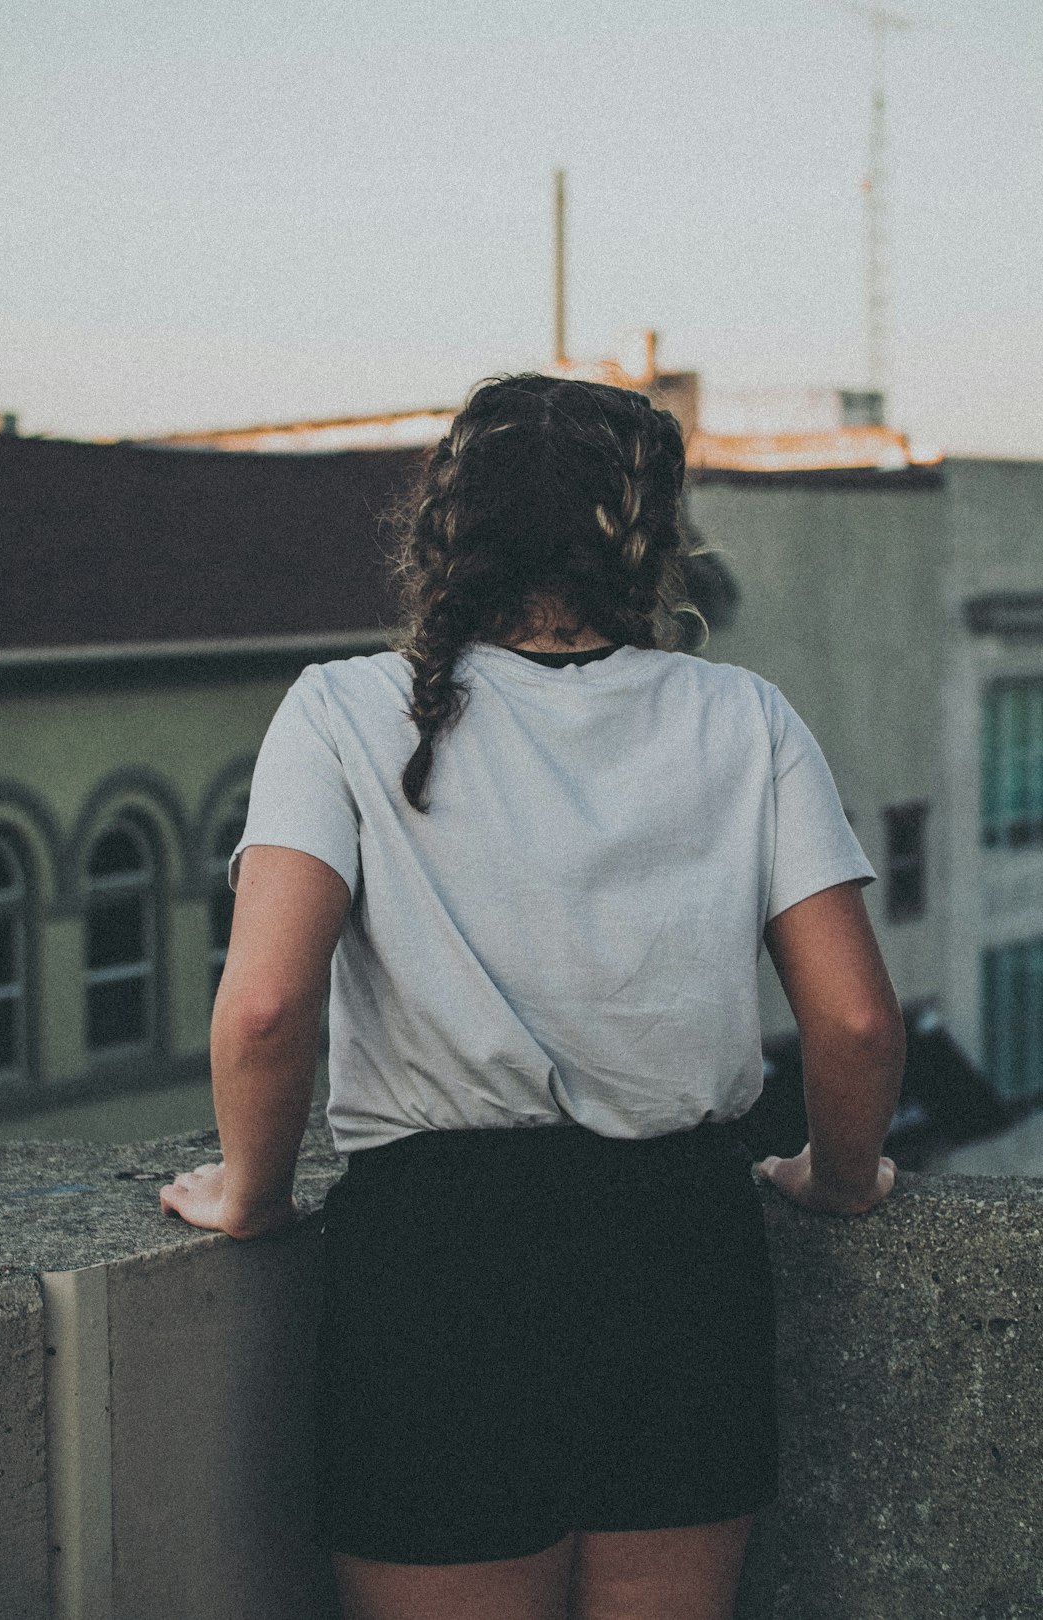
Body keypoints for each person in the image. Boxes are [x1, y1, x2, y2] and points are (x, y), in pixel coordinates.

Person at [160, 373, 904, 1620]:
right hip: (684, 1254)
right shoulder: (744, 716)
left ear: (444, 530)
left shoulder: (340, 710)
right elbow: (858, 1020)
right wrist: (835, 1178)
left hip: (440, 1265)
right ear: (655, 537)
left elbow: (263, 1011)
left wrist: (253, 1193)